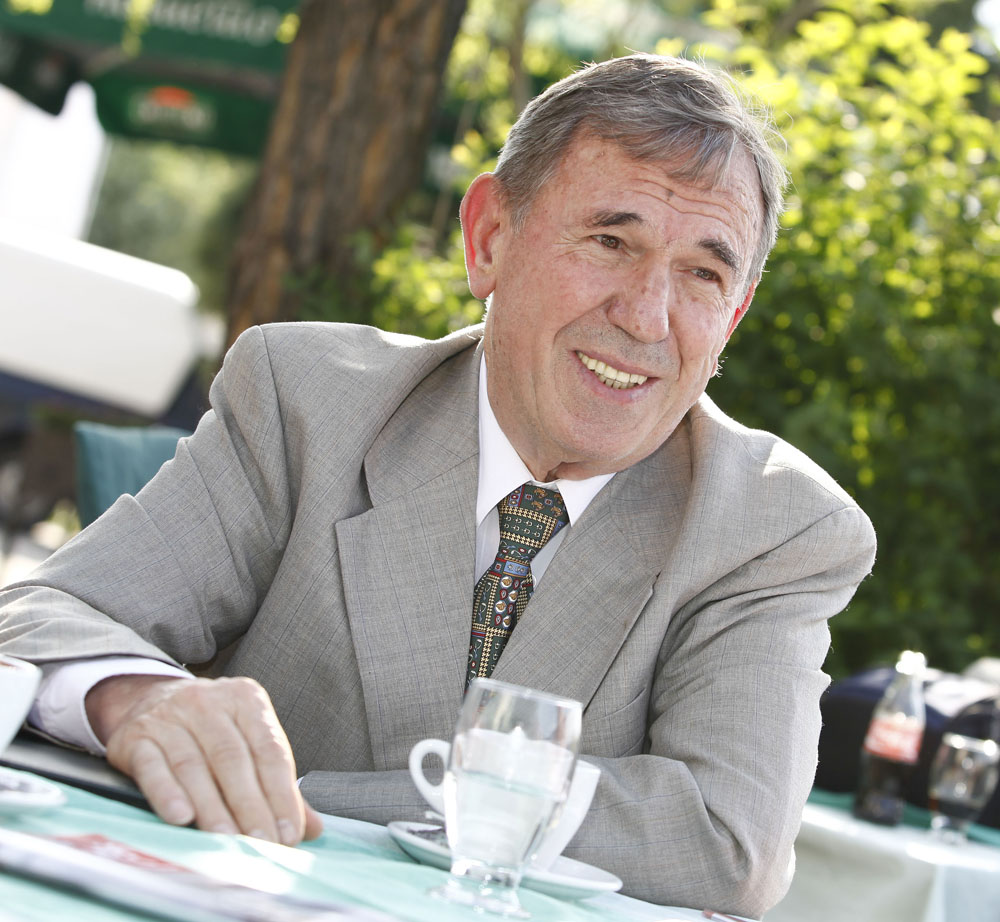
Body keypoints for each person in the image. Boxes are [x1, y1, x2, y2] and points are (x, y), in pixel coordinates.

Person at [0, 53, 876, 917]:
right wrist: (140, 700)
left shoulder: (774, 527)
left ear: (734, 316)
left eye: (703, 275)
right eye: (612, 241)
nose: (648, 317)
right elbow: (44, 612)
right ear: (490, 238)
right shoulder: (307, 401)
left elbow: (726, 843)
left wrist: (306, 793)